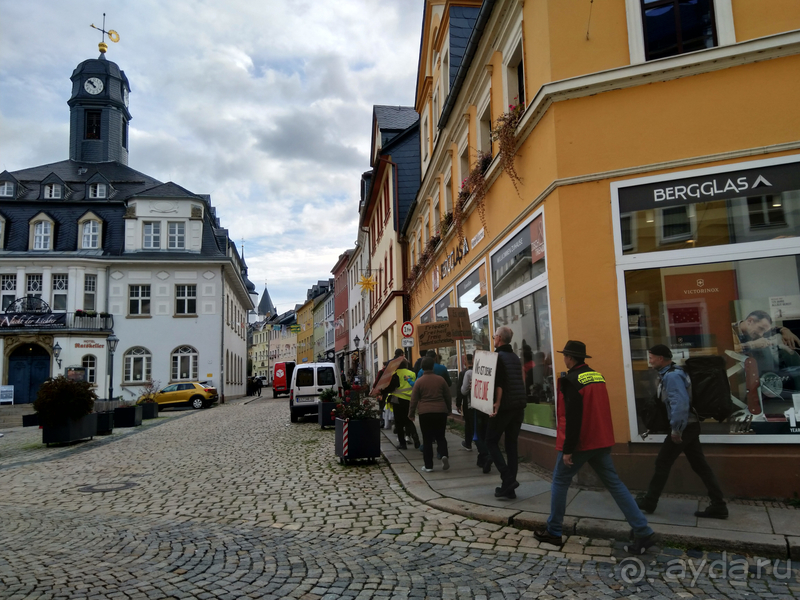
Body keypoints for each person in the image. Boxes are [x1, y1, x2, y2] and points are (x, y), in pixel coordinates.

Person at [534, 340, 656, 555]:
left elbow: (572, 418)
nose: (564, 358)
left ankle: (553, 531)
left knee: (560, 481)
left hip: (581, 442)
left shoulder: (571, 381)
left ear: (570, 358)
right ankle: (643, 530)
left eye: (565, 356)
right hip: (600, 440)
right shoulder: (597, 376)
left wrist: (568, 448)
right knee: (615, 484)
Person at [636, 344, 728, 519]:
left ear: (661, 358)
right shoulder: (672, 373)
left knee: (663, 462)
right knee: (700, 465)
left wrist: (676, 430)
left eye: (651, 357)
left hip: (684, 427)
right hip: (690, 426)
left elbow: (680, 404)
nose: (650, 360)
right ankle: (719, 505)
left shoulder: (672, 376)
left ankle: (650, 501)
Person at [485, 327, 527, 499]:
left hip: (505, 406)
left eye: (495, 336)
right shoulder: (515, 358)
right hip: (518, 406)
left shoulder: (497, 358)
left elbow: (499, 383)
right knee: (511, 446)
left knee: (490, 441)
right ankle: (509, 489)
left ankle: (507, 479)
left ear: (499, 338)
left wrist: (496, 403)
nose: (493, 338)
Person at [409, 356, 452, 472]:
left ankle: (428, 466)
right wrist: (449, 409)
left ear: (422, 367)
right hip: (440, 411)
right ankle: (443, 454)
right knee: (440, 436)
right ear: (433, 366)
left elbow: (414, 399)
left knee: (427, 439)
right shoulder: (440, 380)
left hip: (425, 412)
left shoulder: (419, 382)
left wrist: (411, 413)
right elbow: (448, 396)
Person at [383, 359, 420, 450]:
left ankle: (402, 443)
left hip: (398, 400)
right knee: (408, 419)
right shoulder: (412, 373)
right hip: (409, 399)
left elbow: (391, 387)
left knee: (399, 422)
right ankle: (416, 438)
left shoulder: (394, 374)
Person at [456, 354, 474, 451]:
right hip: (479, 404)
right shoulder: (478, 372)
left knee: (468, 423)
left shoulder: (464, 373)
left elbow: (460, 390)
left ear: (465, 362)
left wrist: (458, 404)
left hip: (468, 403)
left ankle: (468, 443)